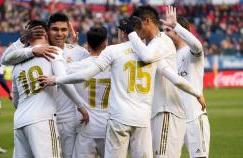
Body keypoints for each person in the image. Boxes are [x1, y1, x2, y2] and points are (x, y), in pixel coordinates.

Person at [38, 17, 205, 158]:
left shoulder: (113, 52)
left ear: (123, 32)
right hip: (142, 120)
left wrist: (57, 79)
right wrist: (197, 93)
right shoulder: (152, 55)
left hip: (116, 120)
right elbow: (175, 79)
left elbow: (84, 74)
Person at [1, 13, 90, 158]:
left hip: (26, 119)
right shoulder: (52, 52)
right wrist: (82, 107)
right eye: (55, 29)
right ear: (47, 32)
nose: (60, 34)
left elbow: (15, 100)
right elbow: (64, 80)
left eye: (63, 30)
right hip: (45, 119)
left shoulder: (17, 62)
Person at [127, 5, 206, 158]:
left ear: (147, 21)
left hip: (167, 110)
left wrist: (197, 93)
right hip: (155, 111)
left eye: (136, 26)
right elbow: (169, 74)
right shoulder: (153, 46)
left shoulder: (161, 42)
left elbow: (149, 58)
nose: (135, 30)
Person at [160, 6, 210, 158]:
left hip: (194, 117)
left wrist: (177, 26)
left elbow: (197, 45)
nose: (164, 34)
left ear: (179, 31)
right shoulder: (167, 56)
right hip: (175, 119)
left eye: (168, 30)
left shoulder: (191, 53)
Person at [70, 26, 110, 158]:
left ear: (87, 43)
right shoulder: (115, 67)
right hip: (109, 127)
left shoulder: (76, 67)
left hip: (86, 127)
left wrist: (72, 46)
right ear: (105, 44)